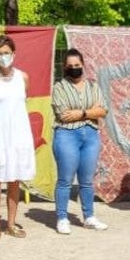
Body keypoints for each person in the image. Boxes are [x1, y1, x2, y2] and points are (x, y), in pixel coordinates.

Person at [0, 35, 36, 239]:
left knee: (14, 180)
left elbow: (21, 103)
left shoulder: (23, 77)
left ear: (14, 53)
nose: (3, 57)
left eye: (6, 53)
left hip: (18, 135)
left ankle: (11, 224)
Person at [51, 48, 109, 235]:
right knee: (65, 180)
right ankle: (62, 217)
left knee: (87, 181)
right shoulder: (59, 87)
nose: (74, 68)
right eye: (70, 66)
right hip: (66, 135)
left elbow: (103, 110)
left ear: (83, 65)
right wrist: (90, 111)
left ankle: (89, 217)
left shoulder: (93, 86)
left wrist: (81, 113)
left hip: (91, 136)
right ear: (65, 68)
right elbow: (63, 115)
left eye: (77, 65)